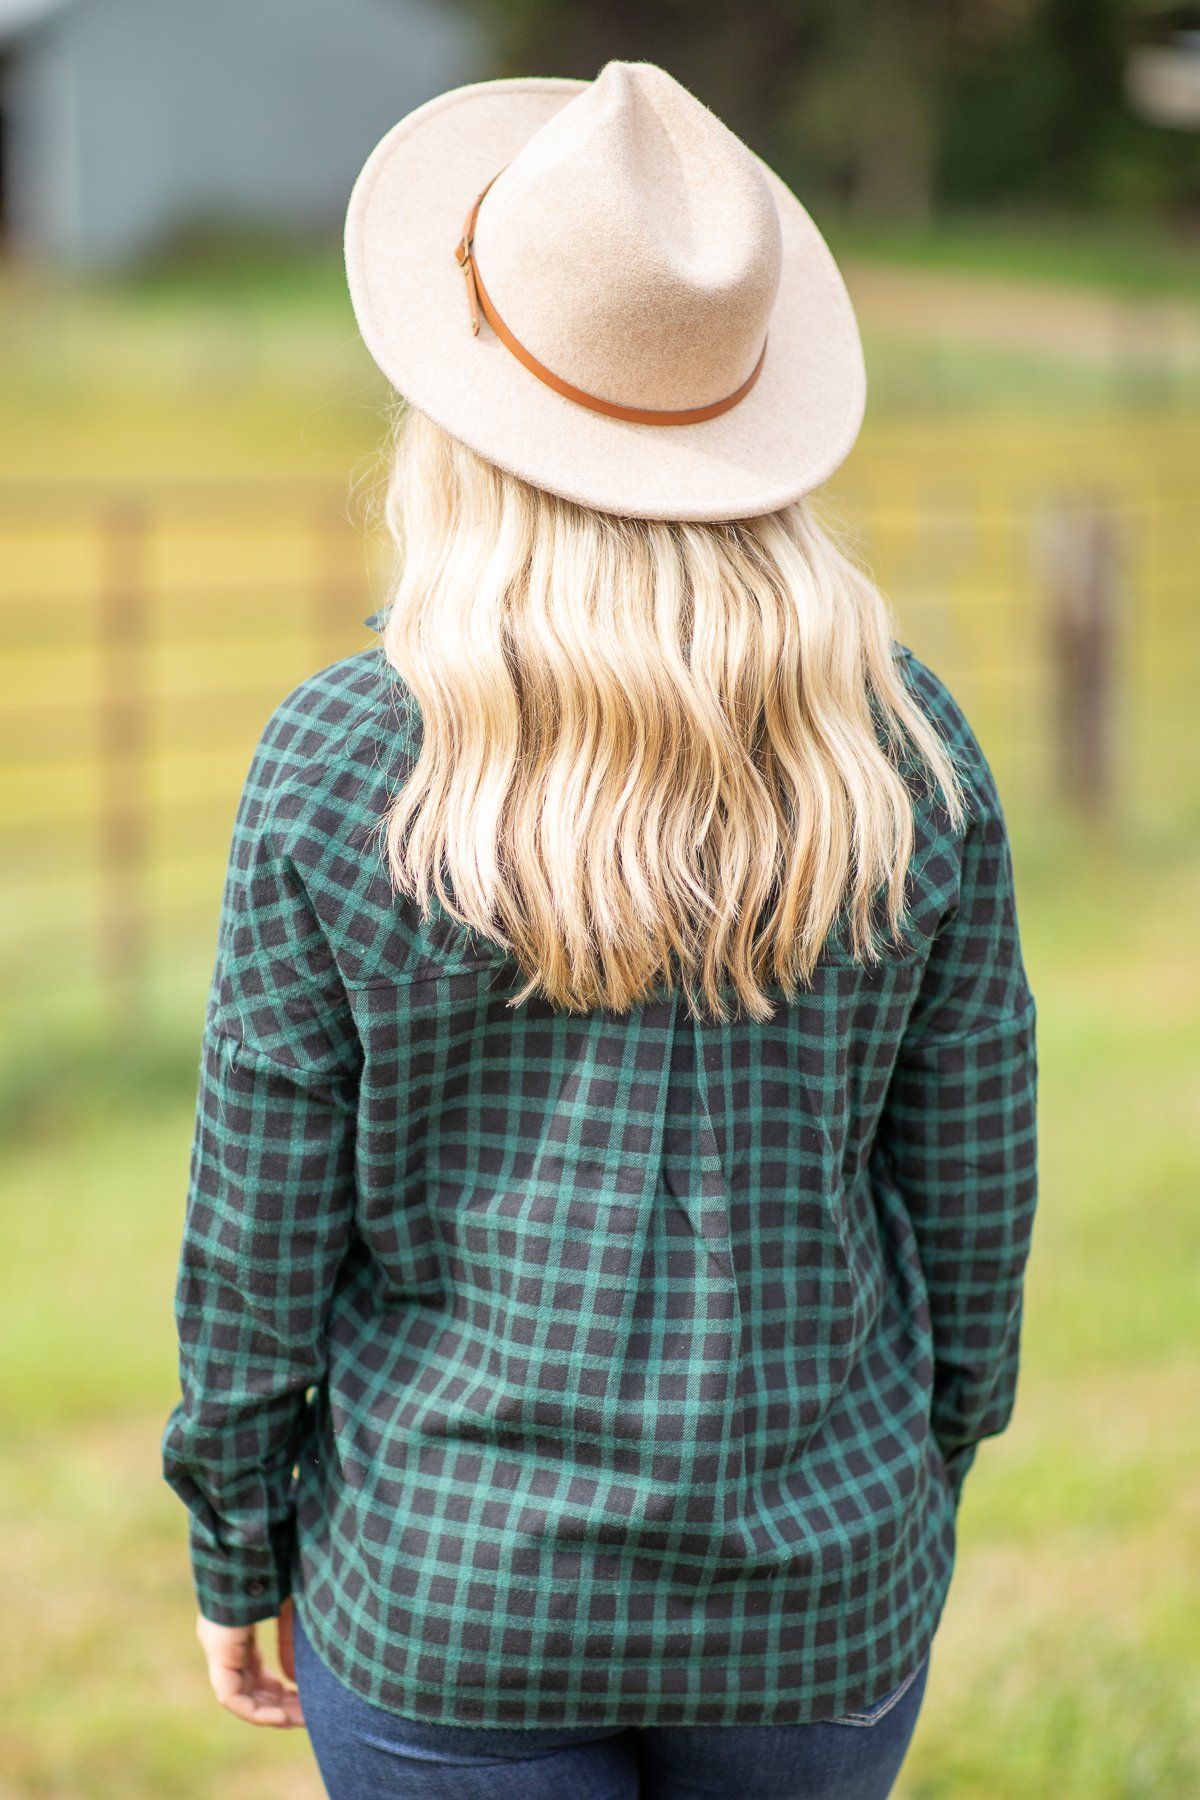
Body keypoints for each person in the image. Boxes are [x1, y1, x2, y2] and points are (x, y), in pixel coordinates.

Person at [161, 60, 1039, 1800]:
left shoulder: (346, 758)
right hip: (820, 1584)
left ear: (459, 410)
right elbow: (976, 1193)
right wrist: (919, 1470)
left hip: (448, 1588)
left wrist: (235, 1535)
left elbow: (258, 1221)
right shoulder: (907, 750)